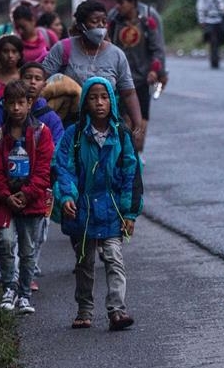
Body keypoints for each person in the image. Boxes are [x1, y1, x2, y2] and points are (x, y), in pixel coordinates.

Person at [53, 77, 142, 331]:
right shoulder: (75, 134)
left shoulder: (120, 133)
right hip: (84, 210)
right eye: (93, 97)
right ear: (85, 102)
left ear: (111, 100)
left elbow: (131, 174)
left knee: (114, 258)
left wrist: (130, 213)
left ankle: (117, 310)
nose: (99, 102)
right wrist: (67, 197)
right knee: (85, 261)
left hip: (112, 209)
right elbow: (64, 168)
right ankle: (84, 309)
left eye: (104, 97)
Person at [0, 61, 65, 292]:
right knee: (7, 240)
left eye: (37, 78)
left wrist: (30, 191)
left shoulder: (46, 125)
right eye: (27, 77)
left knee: (32, 242)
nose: (17, 108)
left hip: (36, 194)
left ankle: (25, 284)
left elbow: (50, 160)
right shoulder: (2, 129)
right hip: (5, 195)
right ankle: (9, 284)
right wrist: (3, 192)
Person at [41, 0, 145, 149]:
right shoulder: (62, 49)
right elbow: (41, 80)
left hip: (106, 125)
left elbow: (128, 93)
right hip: (70, 124)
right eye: (95, 21)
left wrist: (137, 124)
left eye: (104, 21)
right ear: (81, 25)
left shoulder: (116, 55)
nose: (101, 26)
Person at [108, 0, 167, 154]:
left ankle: (138, 152)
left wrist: (155, 71)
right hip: (120, 80)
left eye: (122, 3)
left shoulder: (147, 21)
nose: (118, 7)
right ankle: (129, 154)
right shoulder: (113, 21)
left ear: (133, 3)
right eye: (117, 3)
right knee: (125, 119)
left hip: (142, 79)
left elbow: (157, 49)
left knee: (142, 119)